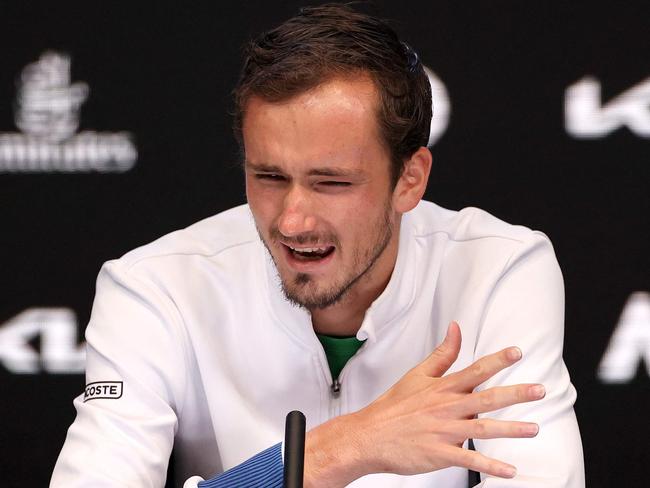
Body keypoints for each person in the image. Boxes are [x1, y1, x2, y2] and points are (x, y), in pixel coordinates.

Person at [51, 4, 584, 487]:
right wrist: (340, 450)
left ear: (410, 179)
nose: (292, 219)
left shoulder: (498, 269)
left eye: (332, 183)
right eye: (269, 176)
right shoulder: (155, 287)